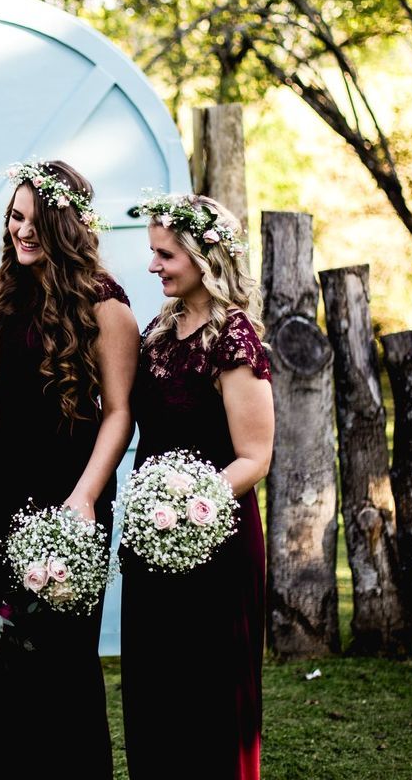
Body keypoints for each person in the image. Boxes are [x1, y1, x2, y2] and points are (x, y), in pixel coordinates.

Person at [0, 160, 138, 779]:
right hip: (2, 493)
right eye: (15, 217)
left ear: (66, 225)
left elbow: (119, 414)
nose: (22, 231)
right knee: (3, 654)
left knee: (64, 660)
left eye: (37, 221)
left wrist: (85, 498)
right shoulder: (3, 293)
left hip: (71, 494)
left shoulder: (105, 303)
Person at [121, 193, 274, 779]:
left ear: (204, 256)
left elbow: (255, 456)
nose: (154, 266)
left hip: (215, 537)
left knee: (208, 687)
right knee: (155, 681)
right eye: (153, 254)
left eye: (165, 255)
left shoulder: (233, 338)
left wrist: (187, 504)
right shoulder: (161, 328)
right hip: (151, 536)